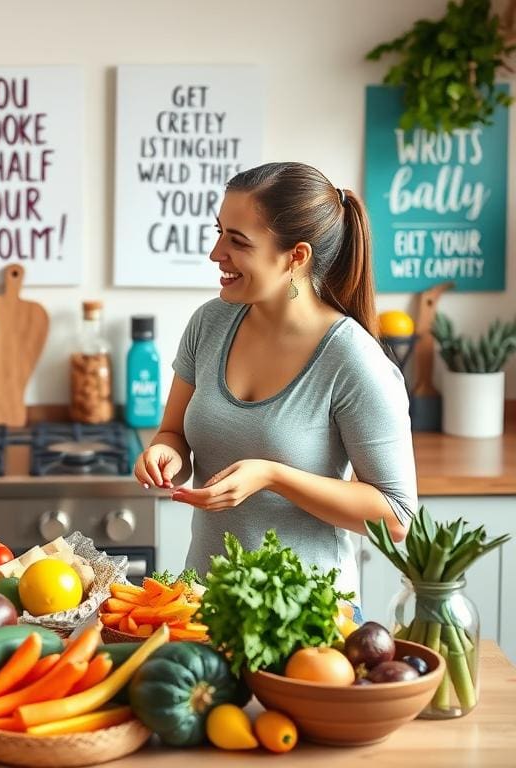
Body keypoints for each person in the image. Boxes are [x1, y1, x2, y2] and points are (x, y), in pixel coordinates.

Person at [134, 162, 417, 606]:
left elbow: (397, 518)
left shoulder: (353, 360)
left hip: (307, 620)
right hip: (203, 605)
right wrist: (164, 453)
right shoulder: (209, 323)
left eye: (238, 241)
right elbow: (174, 436)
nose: (215, 253)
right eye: (219, 231)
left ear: (296, 256)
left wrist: (271, 476)